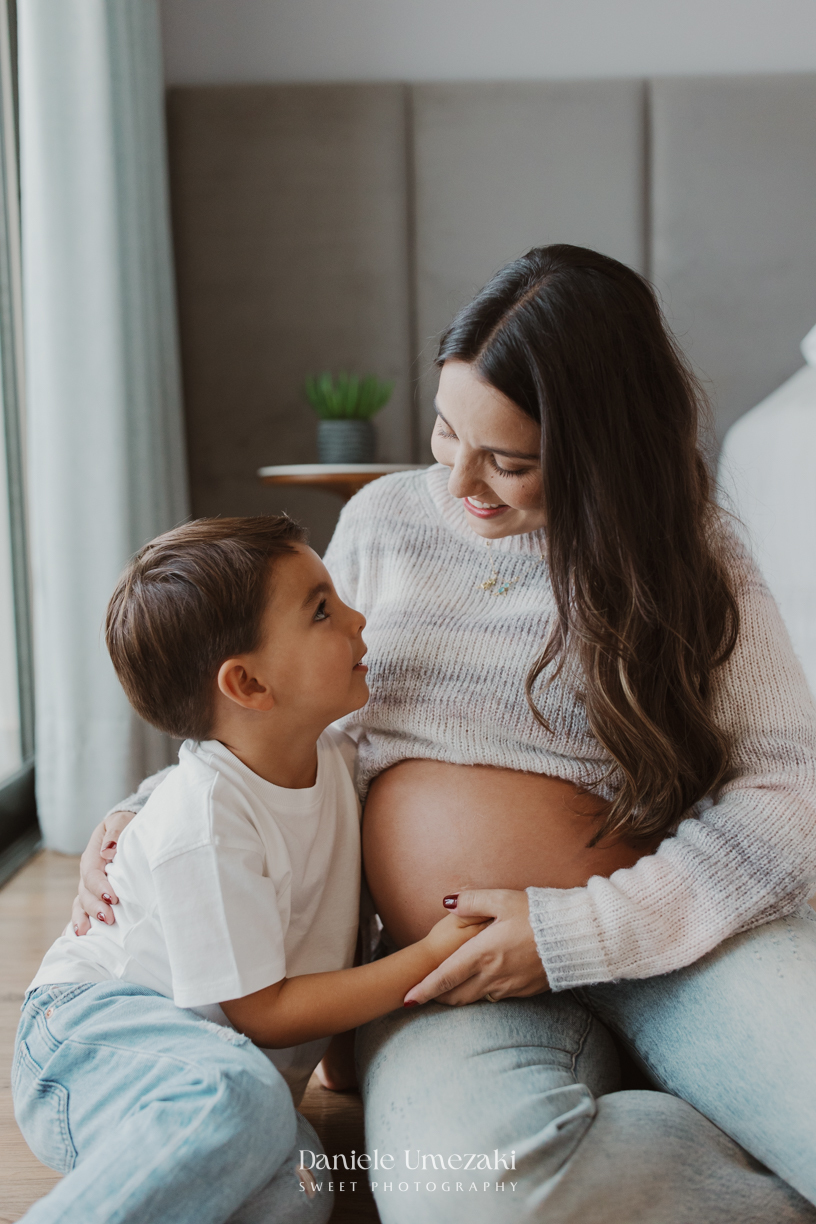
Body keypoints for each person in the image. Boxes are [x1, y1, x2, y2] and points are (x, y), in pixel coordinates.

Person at [76, 246, 816, 1223]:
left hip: (680, 940)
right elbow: (282, 713)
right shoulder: (387, 522)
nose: (459, 482)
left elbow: (788, 789)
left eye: (509, 461)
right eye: (443, 433)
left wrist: (572, 935)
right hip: (445, 969)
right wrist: (145, 812)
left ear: (604, 452)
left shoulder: (694, 556)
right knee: (470, 1199)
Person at [13, 517, 486, 1224]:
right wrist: (427, 959)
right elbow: (262, 1013)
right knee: (238, 1094)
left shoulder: (336, 763)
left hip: (229, 1071)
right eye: (323, 609)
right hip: (89, 1043)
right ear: (250, 683)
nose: (358, 618)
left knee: (300, 1193)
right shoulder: (203, 822)